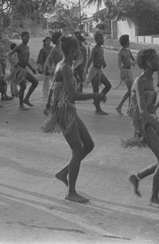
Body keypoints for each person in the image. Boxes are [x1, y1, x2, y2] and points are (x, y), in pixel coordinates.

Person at [42, 36, 106, 203]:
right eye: (77, 49)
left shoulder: (65, 65)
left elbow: (54, 89)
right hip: (64, 111)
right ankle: (71, 192)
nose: (80, 51)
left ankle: (64, 172)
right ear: (72, 51)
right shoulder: (64, 67)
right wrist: (95, 95)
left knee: (89, 144)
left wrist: (48, 105)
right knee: (77, 149)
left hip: (68, 109)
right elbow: (73, 95)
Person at [123, 48, 159, 210]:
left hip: (151, 121)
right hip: (143, 124)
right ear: (149, 63)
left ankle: (137, 177)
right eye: (156, 59)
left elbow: (150, 108)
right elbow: (142, 111)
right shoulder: (140, 81)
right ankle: (154, 198)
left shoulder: (150, 79)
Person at [6, 31, 38, 109]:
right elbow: (8, 55)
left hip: (24, 69)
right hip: (19, 69)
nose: (27, 38)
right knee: (23, 86)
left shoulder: (27, 48)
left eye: (28, 37)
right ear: (22, 37)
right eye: (26, 37)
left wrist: (32, 68)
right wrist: (14, 64)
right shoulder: (19, 47)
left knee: (35, 82)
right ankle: (21, 105)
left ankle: (26, 99)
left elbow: (26, 61)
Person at [84, 31, 111, 115]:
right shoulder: (94, 49)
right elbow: (90, 60)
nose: (102, 40)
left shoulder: (101, 48)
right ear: (96, 40)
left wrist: (104, 62)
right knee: (95, 90)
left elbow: (101, 57)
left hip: (99, 70)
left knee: (108, 85)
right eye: (101, 38)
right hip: (94, 71)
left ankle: (98, 99)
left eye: (102, 38)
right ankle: (97, 109)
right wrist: (85, 70)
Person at [115, 34, 135, 116]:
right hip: (125, 72)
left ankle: (123, 107)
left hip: (129, 71)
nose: (129, 42)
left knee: (131, 91)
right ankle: (127, 108)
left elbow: (133, 59)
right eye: (128, 41)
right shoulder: (121, 52)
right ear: (125, 42)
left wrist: (134, 62)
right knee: (131, 91)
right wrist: (122, 72)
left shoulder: (128, 51)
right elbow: (119, 64)